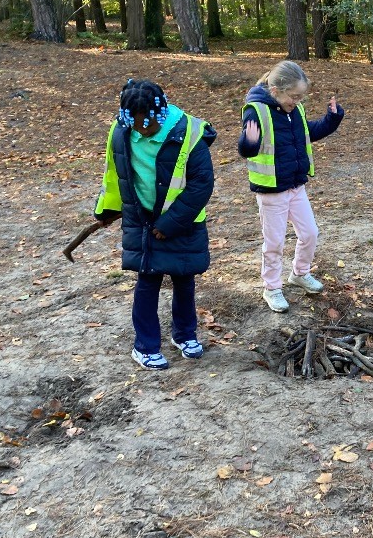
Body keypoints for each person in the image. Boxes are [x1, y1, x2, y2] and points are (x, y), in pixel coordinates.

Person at [94, 79, 216, 370]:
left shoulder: (189, 133)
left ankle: (184, 335)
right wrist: (107, 209)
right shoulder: (121, 131)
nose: (142, 130)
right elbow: (116, 174)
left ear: (160, 113)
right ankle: (145, 346)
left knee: (183, 278)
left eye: (147, 124)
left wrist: (171, 223)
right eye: (136, 125)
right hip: (143, 220)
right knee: (147, 281)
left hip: (182, 221)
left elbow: (201, 185)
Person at [238, 60, 344, 312]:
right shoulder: (256, 111)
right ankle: (272, 288)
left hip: (296, 186)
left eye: (300, 97)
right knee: (274, 243)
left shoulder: (294, 110)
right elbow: (247, 149)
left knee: (310, 233)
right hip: (271, 191)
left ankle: (299, 273)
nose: (297, 101)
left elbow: (308, 133)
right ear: (276, 90)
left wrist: (332, 119)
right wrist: (249, 142)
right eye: (294, 96)